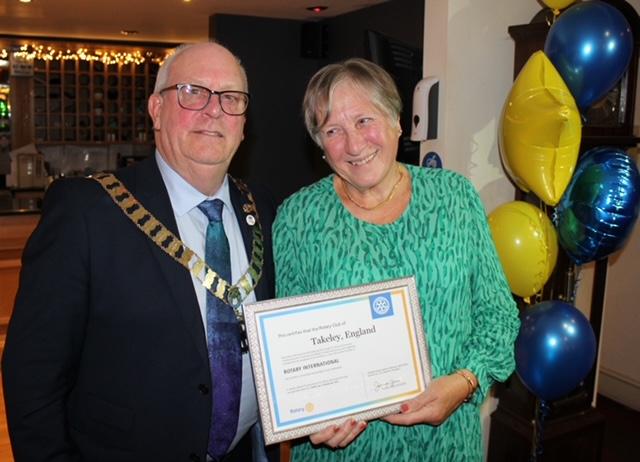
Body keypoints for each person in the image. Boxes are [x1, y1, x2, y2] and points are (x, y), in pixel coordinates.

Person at [2, 42, 278, 462]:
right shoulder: (89, 210)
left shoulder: (260, 206)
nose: (213, 110)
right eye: (192, 92)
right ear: (155, 109)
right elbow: (33, 375)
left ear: (244, 122)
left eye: (231, 98)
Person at [272, 58, 520, 461]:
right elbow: (293, 350)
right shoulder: (298, 218)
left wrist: (464, 381)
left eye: (365, 121)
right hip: (347, 451)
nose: (354, 144)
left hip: (447, 445)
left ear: (397, 121)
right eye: (333, 130)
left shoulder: (454, 198)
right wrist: (310, 416)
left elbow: (498, 316)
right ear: (319, 144)